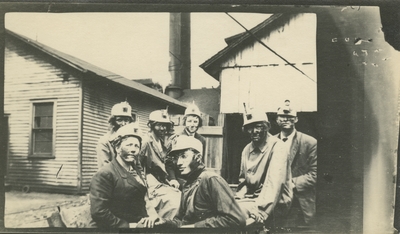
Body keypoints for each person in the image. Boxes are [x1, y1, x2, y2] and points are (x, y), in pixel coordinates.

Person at [159, 136, 246, 228]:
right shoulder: (187, 184)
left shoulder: (210, 179)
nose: (178, 162)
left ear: (198, 157)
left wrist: (195, 227)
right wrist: (163, 221)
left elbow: (236, 219)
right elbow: (181, 222)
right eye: (176, 158)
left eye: (184, 156)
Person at [90, 122, 159, 228]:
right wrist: (130, 226)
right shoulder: (105, 174)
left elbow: (144, 197)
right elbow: (99, 212)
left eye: (137, 146)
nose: (133, 149)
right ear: (117, 148)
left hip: (141, 222)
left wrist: (153, 215)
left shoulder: (136, 170)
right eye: (129, 145)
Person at [235, 107, 292, 227]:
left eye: (259, 126)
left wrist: (260, 212)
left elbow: (274, 183)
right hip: (252, 200)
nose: (254, 131)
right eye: (250, 127)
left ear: (266, 127)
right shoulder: (246, 149)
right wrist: (238, 197)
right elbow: (243, 181)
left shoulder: (278, 147)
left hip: (273, 204)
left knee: (235, 214)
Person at [275, 100, 317, 227]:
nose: (286, 119)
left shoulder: (309, 142)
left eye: (290, 117)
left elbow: (316, 174)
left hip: (300, 204)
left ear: (296, 119)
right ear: (277, 120)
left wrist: (291, 183)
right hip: (276, 205)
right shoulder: (270, 143)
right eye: (283, 116)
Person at [140, 108, 181, 219]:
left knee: (179, 195)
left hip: (161, 180)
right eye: (159, 125)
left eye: (165, 126)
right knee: (172, 202)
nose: (163, 129)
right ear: (152, 125)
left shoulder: (160, 141)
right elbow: (137, 166)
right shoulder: (145, 141)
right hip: (149, 181)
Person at [165, 101, 206, 188]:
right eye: (189, 121)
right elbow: (169, 162)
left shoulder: (202, 140)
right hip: (178, 178)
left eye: (195, 122)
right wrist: (173, 179)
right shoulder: (176, 138)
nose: (192, 125)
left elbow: (201, 162)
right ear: (185, 122)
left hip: (195, 178)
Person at [96, 101, 134, 168]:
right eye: (119, 120)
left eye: (126, 120)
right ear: (113, 122)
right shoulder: (105, 141)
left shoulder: (132, 141)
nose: (123, 124)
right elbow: (105, 170)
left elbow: (137, 166)